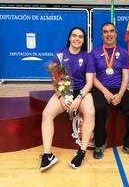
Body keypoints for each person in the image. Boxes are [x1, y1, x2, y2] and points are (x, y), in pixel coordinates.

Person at [40, 27, 95, 172]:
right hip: (64, 91)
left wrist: (79, 98)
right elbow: (56, 80)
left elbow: (89, 83)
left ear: (83, 40)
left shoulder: (87, 57)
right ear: (70, 38)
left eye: (81, 37)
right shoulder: (59, 55)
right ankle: (47, 155)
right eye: (74, 36)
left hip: (82, 92)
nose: (77, 39)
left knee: (90, 113)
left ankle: (81, 152)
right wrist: (61, 97)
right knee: (46, 114)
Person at [91, 22, 129, 160]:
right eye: (105, 32)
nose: (109, 34)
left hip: (118, 88)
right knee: (99, 108)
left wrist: (120, 94)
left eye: (111, 31)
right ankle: (100, 144)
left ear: (116, 34)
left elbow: (125, 76)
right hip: (100, 88)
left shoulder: (123, 52)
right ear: (101, 35)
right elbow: (92, 77)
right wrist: (105, 92)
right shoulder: (95, 52)